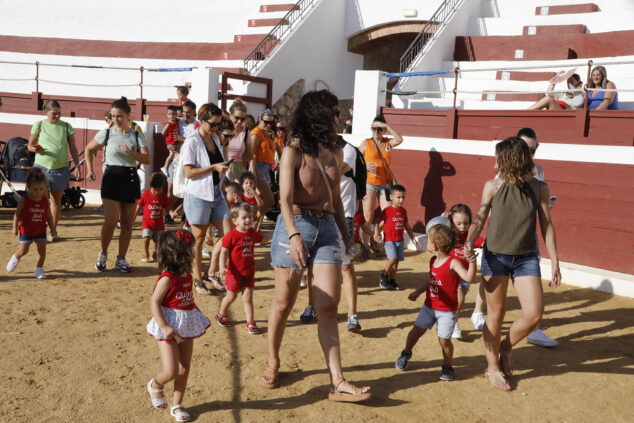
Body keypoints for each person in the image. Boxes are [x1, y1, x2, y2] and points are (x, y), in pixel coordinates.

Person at [261, 90, 371, 402]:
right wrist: (294, 235)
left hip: (325, 230)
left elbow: (335, 199)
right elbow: (283, 199)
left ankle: (337, 381)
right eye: (334, 111)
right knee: (283, 302)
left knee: (327, 306)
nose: (339, 116)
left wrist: (347, 238)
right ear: (319, 115)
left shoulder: (336, 151)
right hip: (295, 226)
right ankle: (273, 360)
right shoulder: (293, 151)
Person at [464, 137, 562, 391]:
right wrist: (468, 241)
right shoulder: (493, 185)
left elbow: (547, 225)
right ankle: (492, 367)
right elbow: (480, 215)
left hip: (526, 258)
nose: (494, 162)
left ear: (509, 160)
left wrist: (555, 262)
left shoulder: (539, 187)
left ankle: (505, 347)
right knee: (496, 314)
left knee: (534, 313)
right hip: (495, 257)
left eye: (498, 157)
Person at [298, 136, 366, 332]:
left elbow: (331, 173)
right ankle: (311, 306)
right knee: (312, 266)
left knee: (346, 266)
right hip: (318, 213)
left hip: (342, 214)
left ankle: (352, 315)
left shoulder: (348, 151)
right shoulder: (319, 148)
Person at [395, 224, 476, 380]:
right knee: (415, 332)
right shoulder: (433, 260)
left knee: (444, 340)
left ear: (436, 245)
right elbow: (432, 280)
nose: (426, 240)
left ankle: (447, 366)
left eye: (429, 238)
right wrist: (418, 291)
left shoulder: (453, 262)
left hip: (447, 311)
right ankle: (406, 353)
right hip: (429, 306)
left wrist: (471, 261)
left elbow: (469, 278)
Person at [146, 229, 210, 422]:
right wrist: (164, 325)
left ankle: (177, 405)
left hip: (187, 325)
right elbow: (154, 302)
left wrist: (196, 311)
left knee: (184, 368)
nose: (194, 249)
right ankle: (156, 385)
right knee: (171, 370)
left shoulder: (187, 274)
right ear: (181, 251)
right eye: (191, 246)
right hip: (169, 326)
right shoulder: (167, 278)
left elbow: (187, 297)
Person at [86, 97, 150, 273]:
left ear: (128, 115)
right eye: (113, 116)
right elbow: (89, 149)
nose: (115, 119)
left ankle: (121, 258)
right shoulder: (106, 133)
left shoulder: (136, 134)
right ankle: (103, 253)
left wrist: (131, 153)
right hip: (112, 177)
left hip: (130, 177)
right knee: (111, 220)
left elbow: (147, 158)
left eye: (119, 116)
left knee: (128, 223)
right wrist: (90, 170)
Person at [180, 102, 232, 295]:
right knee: (199, 239)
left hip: (216, 193)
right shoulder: (192, 141)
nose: (216, 128)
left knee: (229, 235)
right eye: (213, 124)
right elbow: (188, 172)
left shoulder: (216, 139)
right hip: (199, 195)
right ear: (202, 121)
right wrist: (213, 168)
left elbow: (217, 164)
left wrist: (223, 170)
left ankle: (212, 273)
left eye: (219, 124)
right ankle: (198, 280)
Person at [27, 99, 81, 238]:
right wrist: (33, 148)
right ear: (46, 112)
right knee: (41, 201)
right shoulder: (39, 125)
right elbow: (30, 144)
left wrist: (78, 165)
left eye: (59, 113)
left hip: (60, 169)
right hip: (42, 168)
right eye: (54, 113)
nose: (57, 116)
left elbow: (73, 148)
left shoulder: (66, 126)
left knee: (56, 202)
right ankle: (40, 230)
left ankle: (53, 230)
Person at [216, 203, 273, 333]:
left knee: (248, 298)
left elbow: (263, 238)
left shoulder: (252, 233)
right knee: (231, 297)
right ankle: (221, 313)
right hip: (234, 273)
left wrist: (276, 232)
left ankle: (250, 322)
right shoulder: (232, 235)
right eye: (244, 217)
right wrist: (221, 266)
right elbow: (224, 251)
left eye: (250, 217)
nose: (248, 220)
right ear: (235, 220)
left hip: (248, 272)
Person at [358, 114, 403, 254]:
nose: (375, 132)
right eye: (373, 128)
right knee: (368, 215)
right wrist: (364, 166)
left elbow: (400, 139)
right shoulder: (366, 143)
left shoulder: (387, 143)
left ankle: (375, 234)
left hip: (386, 184)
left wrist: (388, 126)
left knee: (389, 214)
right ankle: (365, 246)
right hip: (370, 183)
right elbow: (356, 160)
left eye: (379, 129)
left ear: (383, 130)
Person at [6, 167, 57, 279]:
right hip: (26, 230)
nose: (38, 192)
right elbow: (17, 214)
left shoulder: (45, 201)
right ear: (28, 187)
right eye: (35, 189)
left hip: (40, 230)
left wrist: (53, 229)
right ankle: (16, 257)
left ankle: (39, 269)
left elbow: (48, 215)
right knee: (24, 250)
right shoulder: (24, 200)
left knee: (42, 251)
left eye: (41, 189)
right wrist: (14, 227)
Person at [446, 204, 483, 339]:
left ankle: (453, 322)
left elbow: (484, 243)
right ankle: (451, 322)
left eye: (466, 223)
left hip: (464, 274)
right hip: (449, 273)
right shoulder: (447, 233)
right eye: (459, 223)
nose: (462, 227)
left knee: (459, 299)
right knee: (454, 299)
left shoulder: (470, 236)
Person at [375, 184, 421, 290]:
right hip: (389, 240)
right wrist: (376, 233)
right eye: (398, 197)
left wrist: (413, 238)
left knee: (395, 264)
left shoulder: (403, 211)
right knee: (392, 258)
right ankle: (383, 275)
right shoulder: (387, 210)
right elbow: (377, 222)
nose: (401, 200)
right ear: (391, 197)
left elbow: (407, 226)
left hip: (400, 240)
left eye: (403, 197)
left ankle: (392, 280)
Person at [135, 172, 170, 262]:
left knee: (158, 240)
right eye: (155, 190)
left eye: (159, 190)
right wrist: (134, 216)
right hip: (147, 223)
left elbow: (167, 207)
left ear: (162, 187)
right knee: (146, 237)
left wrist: (168, 214)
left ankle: (155, 252)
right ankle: (145, 252)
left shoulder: (164, 196)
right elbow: (139, 205)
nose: (157, 192)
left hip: (159, 224)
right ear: (150, 186)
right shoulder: (146, 194)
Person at [223, 98, 254, 182]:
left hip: (238, 170)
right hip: (222, 167)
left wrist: (253, 176)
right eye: (237, 118)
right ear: (230, 115)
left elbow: (250, 156)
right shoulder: (222, 129)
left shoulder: (246, 132)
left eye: (243, 119)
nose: (239, 121)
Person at [161, 105, 181, 176]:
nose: (172, 116)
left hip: (175, 141)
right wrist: (168, 136)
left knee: (174, 154)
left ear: (176, 114)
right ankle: (165, 167)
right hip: (171, 142)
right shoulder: (169, 124)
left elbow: (181, 119)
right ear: (167, 115)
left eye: (173, 114)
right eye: (169, 114)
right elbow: (163, 133)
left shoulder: (177, 121)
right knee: (172, 154)